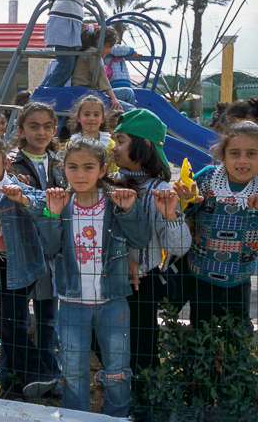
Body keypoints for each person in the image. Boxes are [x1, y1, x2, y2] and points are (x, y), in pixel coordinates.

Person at [36, 136, 150, 416]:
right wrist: (51, 214)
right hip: (72, 303)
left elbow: (140, 237)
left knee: (117, 369)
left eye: (89, 167)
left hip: (113, 301)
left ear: (102, 170)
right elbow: (50, 248)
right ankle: (76, 417)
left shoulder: (114, 203)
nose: (80, 174)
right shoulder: (61, 204)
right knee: (73, 370)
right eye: (72, 167)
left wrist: (129, 210)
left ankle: (118, 415)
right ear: (64, 169)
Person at [0, 133, 59, 398]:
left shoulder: (17, 187)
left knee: (8, 323)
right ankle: (17, 383)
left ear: (5, 162)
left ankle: (39, 374)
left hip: (21, 268)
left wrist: (24, 200)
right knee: (11, 324)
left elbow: (45, 206)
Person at [109, 109, 191, 412]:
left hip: (143, 284)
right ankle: (117, 394)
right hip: (108, 280)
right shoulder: (109, 181)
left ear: (143, 146)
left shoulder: (160, 190)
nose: (114, 147)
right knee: (105, 342)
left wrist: (170, 215)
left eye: (121, 140)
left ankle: (143, 404)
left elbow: (179, 246)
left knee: (143, 350)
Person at [174, 121, 258, 329]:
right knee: (201, 335)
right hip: (201, 273)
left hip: (240, 275)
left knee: (238, 336)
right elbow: (183, 213)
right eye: (235, 153)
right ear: (222, 156)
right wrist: (187, 201)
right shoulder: (207, 178)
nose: (243, 161)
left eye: (252, 153)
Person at [8, 102, 67, 394]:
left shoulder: (61, 163)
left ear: (54, 129)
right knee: (16, 316)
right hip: (22, 248)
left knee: (48, 317)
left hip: (52, 249)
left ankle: (50, 374)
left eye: (47, 126)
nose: (41, 132)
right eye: (33, 126)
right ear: (20, 130)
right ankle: (18, 374)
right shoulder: (11, 165)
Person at [40, 0, 108, 88]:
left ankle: (40, 94)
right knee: (65, 66)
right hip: (64, 22)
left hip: (68, 22)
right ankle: (40, 97)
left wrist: (54, 0)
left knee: (67, 66)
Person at [71, 25, 135, 112]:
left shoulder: (94, 54)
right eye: (109, 47)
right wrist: (114, 99)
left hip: (94, 92)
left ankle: (122, 118)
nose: (110, 51)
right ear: (99, 42)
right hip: (86, 93)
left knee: (128, 93)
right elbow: (102, 77)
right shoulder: (93, 54)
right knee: (131, 109)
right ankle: (125, 116)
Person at [68, 94, 117, 172]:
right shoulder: (71, 144)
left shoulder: (111, 145)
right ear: (78, 117)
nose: (91, 118)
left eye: (96, 115)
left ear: (102, 118)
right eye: (86, 114)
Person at [103, 27, 141, 109]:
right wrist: (131, 51)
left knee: (135, 92)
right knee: (129, 96)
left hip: (124, 83)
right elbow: (117, 49)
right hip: (114, 84)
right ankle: (132, 112)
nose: (110, 50)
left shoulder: (110, 53)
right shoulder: (108, 51)